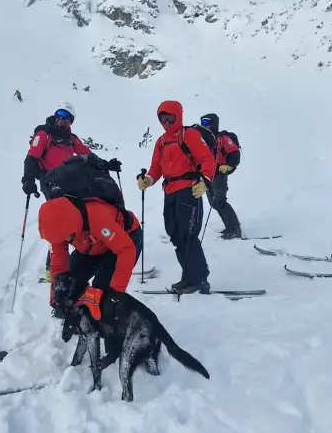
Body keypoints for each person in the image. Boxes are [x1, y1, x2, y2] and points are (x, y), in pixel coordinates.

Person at [22, 102, 121, 279]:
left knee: (77, 218)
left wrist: (106, 165)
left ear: (71, 122)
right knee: (58, 221)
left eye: (68, 118)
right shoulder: (44, 134)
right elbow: (31, 157)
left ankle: (85, 254)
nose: (63, 120)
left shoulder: (71, 139)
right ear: (55, 115)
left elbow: (87, 155)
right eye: (60, 114)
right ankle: (52, 269)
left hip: (67, 182)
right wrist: (28, 180)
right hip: (50, 183)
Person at [39, 195, 142, 362]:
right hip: (92, 246)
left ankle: (115, 333)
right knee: (70, 283)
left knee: (102, 290)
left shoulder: (97, 218)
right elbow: (59, 267)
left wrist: (117, 292)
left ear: (74, 224)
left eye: (68, 238)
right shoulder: (59, 229)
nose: (65, 242)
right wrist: (57, 298)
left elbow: (126, 249)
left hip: (125, 239)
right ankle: (80, 321)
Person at [137, 100, 215, 294]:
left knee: (188, 235)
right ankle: (190, 277)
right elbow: (156, 168)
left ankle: (198, 279)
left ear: (178, 116)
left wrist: (204, 181)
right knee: (175, 234)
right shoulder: (161, 142)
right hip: (169, 191)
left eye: (169, 117)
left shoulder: (189, 134)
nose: (166, 121)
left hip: (189, 189)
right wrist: (147, 179)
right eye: (162, 118)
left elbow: (207, 159)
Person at [199, 113, 242, 239]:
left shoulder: (222, 138)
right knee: (213, 202)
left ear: (214, 123)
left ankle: (235, 229)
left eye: (206, 122)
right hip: (208, 174)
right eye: (202, 122)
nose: (204, 125)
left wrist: (230, 166)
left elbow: (234, 152)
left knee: (220, 201)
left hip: (219, 173)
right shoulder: (205, 139)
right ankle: (229, 226)